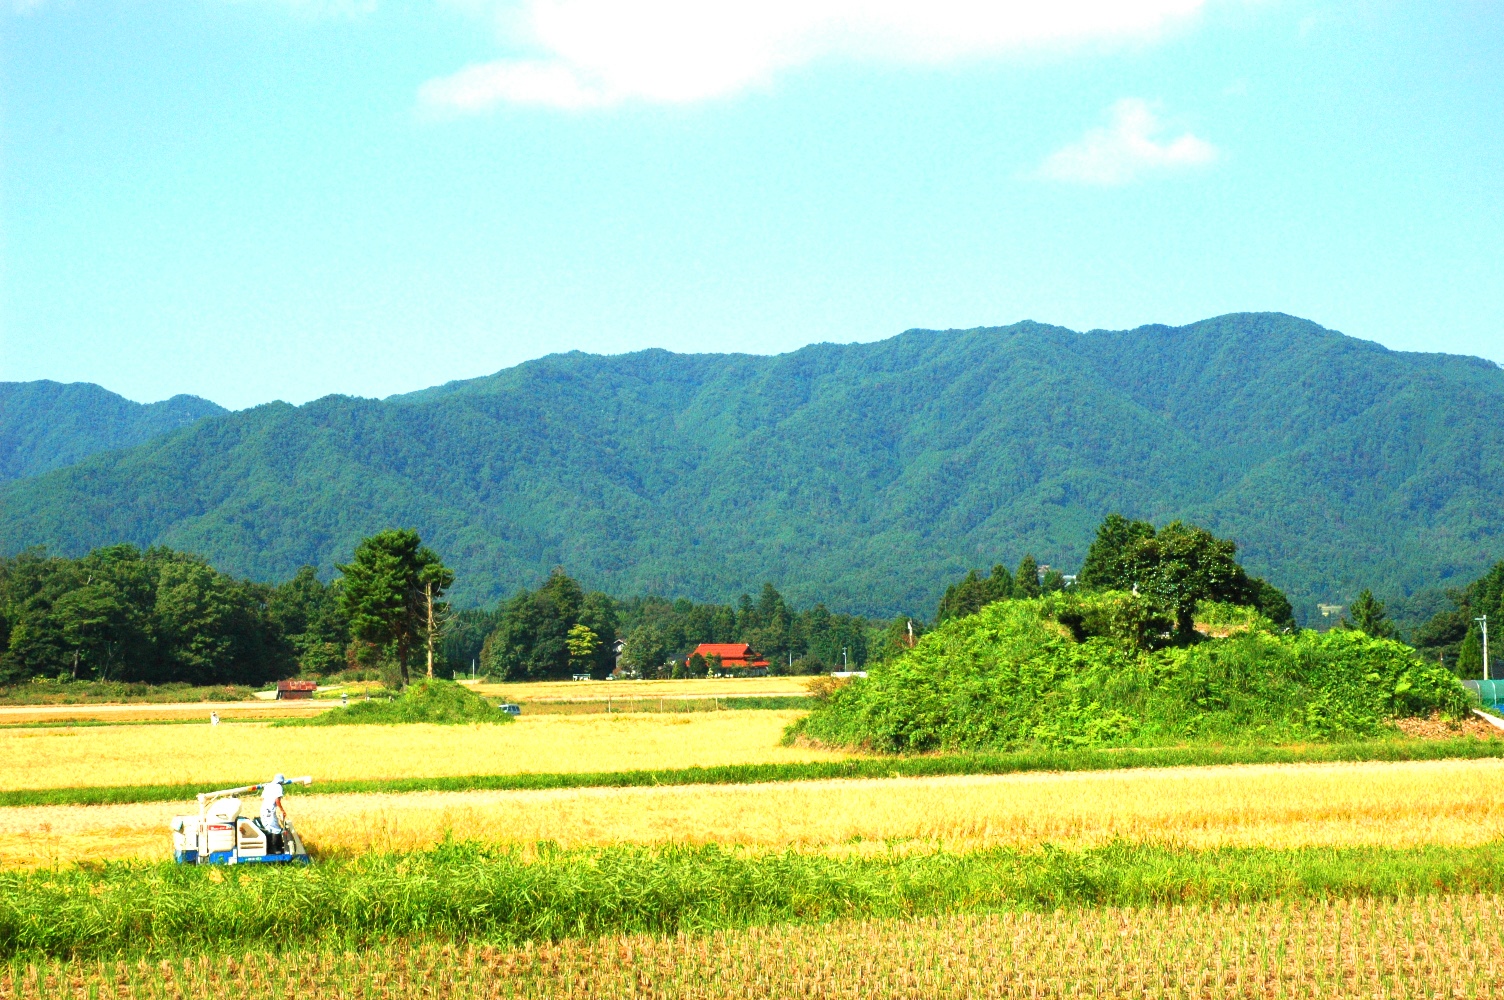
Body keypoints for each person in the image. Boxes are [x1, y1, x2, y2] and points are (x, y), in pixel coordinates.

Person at [261, 773, 287, 854]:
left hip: (263, 810)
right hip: (270, 811)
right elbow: (277, 800)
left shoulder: (268, 786)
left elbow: (263, 798)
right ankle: (275, 849)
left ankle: (269, 848)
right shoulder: (278, 787)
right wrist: (282, 810)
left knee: (268, 828)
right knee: (276, 829)